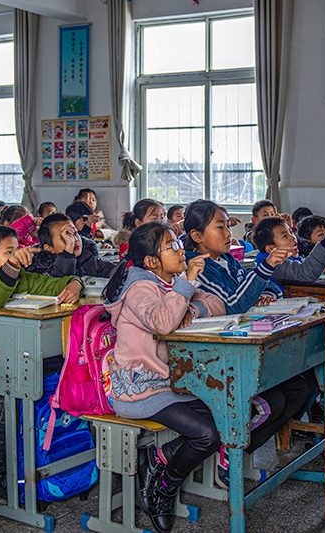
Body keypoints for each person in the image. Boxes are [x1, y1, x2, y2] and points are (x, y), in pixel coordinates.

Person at [102, 222, 225, 533]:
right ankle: (165, 489)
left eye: (178, 244)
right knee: (207, 436)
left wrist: (192, 310)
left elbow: (217, 304)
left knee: (227, 416)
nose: (181, 250)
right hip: (139, 390)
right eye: (172, 246)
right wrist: (187, 284)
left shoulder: (169, 284)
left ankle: (157, 459)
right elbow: (162, 321)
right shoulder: (139, 288)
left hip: (171, 386)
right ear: (151, 261)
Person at [182, 201, 314, 490]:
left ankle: (237, 453)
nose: (229, 232)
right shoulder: (196, 267)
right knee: (273, 401)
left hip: (241, 349)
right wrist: (264, 269)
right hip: (214, 360)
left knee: (300, 390)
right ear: (196, 236)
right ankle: (229, 451)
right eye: (220, 227)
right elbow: (233, 304)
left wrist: (266, 291)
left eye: (228, 225)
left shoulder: (227, 261)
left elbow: (255, 287)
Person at [0, 225, 82, 505]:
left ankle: (33, 467)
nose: (17, 256)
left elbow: (52, 284)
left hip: (10, 361)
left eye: (16, 250)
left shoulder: (18, 277)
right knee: (2, 396)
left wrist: (74, 284)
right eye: (9, 252)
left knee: (43, 386)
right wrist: (11, 268)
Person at [252, 216, 325, 282]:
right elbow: (305, 273)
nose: (293, 237)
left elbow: (302, 266)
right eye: (285, 236)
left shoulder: (288, 258)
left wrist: (320, 267)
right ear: (271, 249)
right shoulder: (275, 264)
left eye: (291, 232)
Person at [27, 212, 117, 278]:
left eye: (74, 233)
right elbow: (61, 283)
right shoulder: (41, 270)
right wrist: (67, 255)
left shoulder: (87, 259)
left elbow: (116, 272)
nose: (74, 240)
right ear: (49, 248)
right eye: (65, 236)